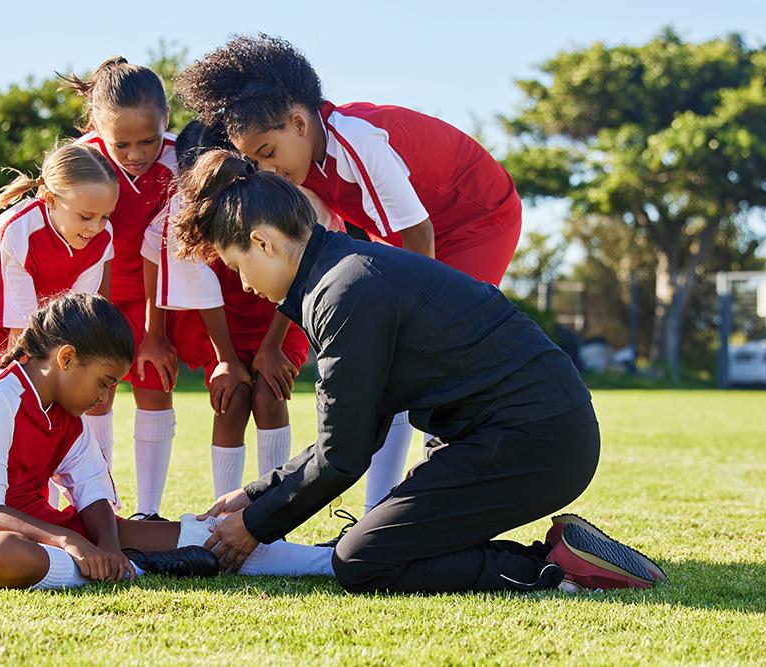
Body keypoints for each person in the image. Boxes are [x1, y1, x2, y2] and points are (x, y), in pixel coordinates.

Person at [174, 150, 667, 594]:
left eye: (235, 265)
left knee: (361, 561)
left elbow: (343, 455)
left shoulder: (344, 290)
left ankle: (556, 567)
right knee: (379, 539)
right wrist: (254, 494)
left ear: (263, 243)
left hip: (535, 438)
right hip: (511, 431)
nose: (242, 284)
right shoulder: (343, 271)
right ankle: (568, 552)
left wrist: (255, 524)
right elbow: (351, 436)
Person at [175, 34, 525, 518]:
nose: (264, 169)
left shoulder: (356, 139)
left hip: (474, 218)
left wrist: (410, 322)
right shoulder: (302, 168)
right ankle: (379, 507)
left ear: (299, 123)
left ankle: (418, 492)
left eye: (267, 151)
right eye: (252, 161)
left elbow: (418, 235)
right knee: (387, 364)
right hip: (413, 232)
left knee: (422, 355)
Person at [0, 293, 336, 590]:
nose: (104, 399)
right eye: (103, 384)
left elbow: (91, 493)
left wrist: (107, 545)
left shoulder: (68, 411)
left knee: (210, 535)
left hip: (53, 531)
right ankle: (143, 567)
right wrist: (73, 542)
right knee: (3, 557)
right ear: (66, 359)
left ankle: (329, 561)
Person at [142, 120, 310, 499]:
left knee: (270, 390)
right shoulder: (182, 213)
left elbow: (298, 271)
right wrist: (227, 360)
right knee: (231, 397)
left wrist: (270, 350)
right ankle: (224, 509)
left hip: (279, 314)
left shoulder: (277, 196)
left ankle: (271, 509)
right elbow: (191, 283)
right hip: (214, 321)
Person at [61, 57, 183, 520]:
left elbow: (168, 250)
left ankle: (148, 511)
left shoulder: (180, 159)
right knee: (94, 391)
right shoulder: (80, 160)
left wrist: (156, 332)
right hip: (92, 292)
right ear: (96, 126)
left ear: (166, 122)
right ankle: (97, 503)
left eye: (148, 140)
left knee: (154, 382)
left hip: (159, 294)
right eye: (123, 144)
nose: (136, 154)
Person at [0, 142, 117, 400]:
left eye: (105, 216)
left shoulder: (103, 239)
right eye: (85, 216)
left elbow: (74, 309)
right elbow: (21, 330)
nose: (96, 227)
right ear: (50, 200)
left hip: (40, 304)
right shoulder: (18, 230)